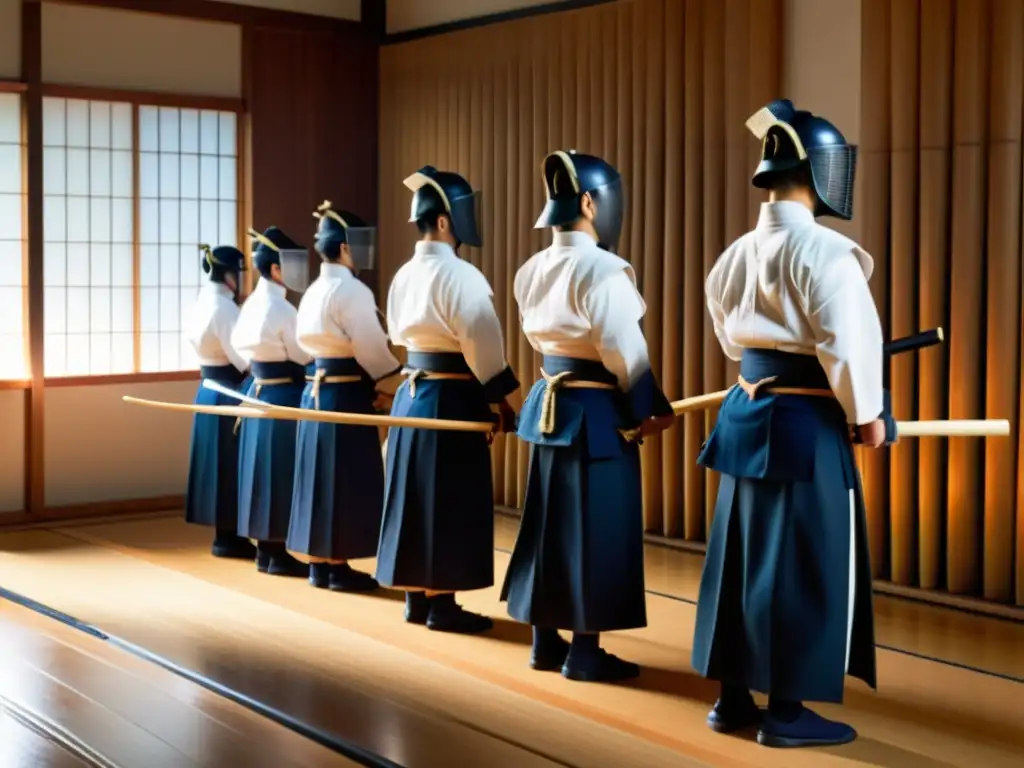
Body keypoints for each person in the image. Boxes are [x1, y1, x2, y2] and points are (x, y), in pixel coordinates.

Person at [693, 99, 890, 748]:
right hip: (806, 425)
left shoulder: (735, 253)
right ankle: (784, 711)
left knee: (741, 557)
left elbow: (730, 340)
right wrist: (870, 419)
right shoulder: (828, 254)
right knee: (801, 563)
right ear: (819, 170)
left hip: (746, 413)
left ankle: (730, 698)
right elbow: (848, 349)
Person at [500, 150, 674, 682]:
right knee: (595, 528)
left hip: (550, 404)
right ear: (590, 204)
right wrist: (651, 408)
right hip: (597, 409)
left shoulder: (531, 270)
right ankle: (585, 651)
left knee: (548, 523)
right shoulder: (605, 270)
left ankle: (543, 641)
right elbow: (624, 351)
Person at [376, 165, 519, 634]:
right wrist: (506, 401)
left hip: (411, 395)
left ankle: (417, 597)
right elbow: (484, 349)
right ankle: (442, 604)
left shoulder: (402, 275)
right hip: (452, 394)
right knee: (446, 497)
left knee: (415, 494)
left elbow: (398, 334)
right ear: (443, 221)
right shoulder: (463, 276)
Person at [287, 202, 403, 592]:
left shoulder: (313, 291)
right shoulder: (351, 290)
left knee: (319, 475)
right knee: (342, 476)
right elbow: (371, 348)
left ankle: (320, 562)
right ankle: (336, 564)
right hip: (344, 393)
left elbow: (305, 347)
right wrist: (395, 381)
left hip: (315, 389)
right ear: (347, 248)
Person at [231, 226, 313, 578]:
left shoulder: (251, 303)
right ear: (276, 269)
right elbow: (302, 354)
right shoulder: (281, 308)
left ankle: (266, 551)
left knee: (259, 471)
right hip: (282, 393)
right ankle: (277, 552)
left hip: (257, 390)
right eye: (291, 263)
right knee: (278, 472)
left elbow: (237, 348)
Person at [183, 243, 254, 560]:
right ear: (229, 276)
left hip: (208, 387)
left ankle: (225, 535)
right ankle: (228, 537)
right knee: (228, 464)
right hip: (229, 388)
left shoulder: (201, 303)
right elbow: (243, 359)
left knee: (219, 464)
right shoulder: (225, 309)